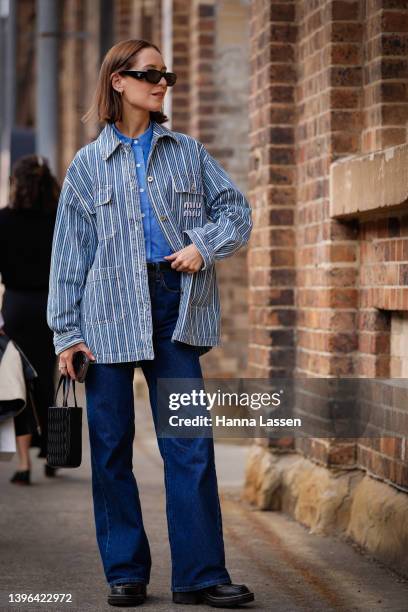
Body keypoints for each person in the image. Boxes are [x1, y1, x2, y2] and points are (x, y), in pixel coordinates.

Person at [47, 39, 254, 608]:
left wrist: (202, 247)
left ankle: (201, 575)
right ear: (118, 81)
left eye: (168, 73)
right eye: (150, 73)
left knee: (189, 446)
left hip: (174, 308)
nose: (162, 82)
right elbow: (69, 255)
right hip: (108, 313)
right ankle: (125, 572)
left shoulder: (187, 151)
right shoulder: (88, 166)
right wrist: (67, 334)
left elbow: (237, 211)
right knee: (111, 448)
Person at [0, 155, 59, 485]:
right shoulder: (56, 220)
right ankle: (54, 453)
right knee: (47, 379)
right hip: (51, 308)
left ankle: (23, 466)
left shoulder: (3, 221)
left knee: (18, 383)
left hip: (17, 309)